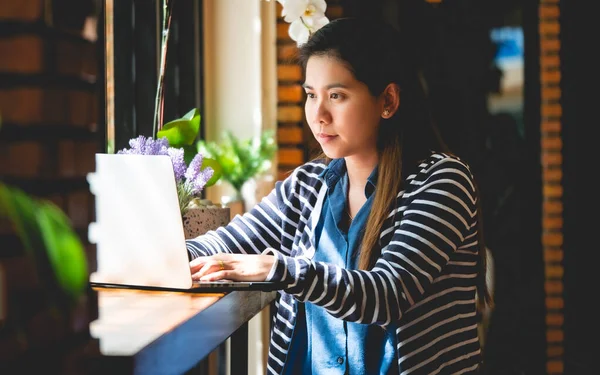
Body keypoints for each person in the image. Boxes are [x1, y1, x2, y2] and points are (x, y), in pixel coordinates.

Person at [187, 17, 492, 375]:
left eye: (337, 96)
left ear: (388, 100)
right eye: (311, 95)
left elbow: (387, 294)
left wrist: (277, 269)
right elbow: (227, 242)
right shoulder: (307, 185)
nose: (318, 115)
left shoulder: (442, 180)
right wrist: (165, 260)